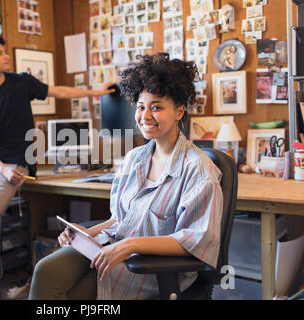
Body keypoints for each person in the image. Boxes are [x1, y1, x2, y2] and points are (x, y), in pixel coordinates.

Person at [29, 53, 223, 300]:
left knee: (70, 294)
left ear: (179, 112)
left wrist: (129, 245)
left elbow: (195, 240)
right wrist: (86, 233)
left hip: (152, 267)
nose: (146, 115)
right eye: (141, 107)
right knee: (45, 270)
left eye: (157, 107)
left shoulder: (198, 169)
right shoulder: (134, 159)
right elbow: (120, 220)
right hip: (113, 247)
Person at [0, 33, 114, 299]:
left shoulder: (21, 83)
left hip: (17, 163)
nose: (7, 56)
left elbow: (59, 91)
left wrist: (97, 91)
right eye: (0, 53)